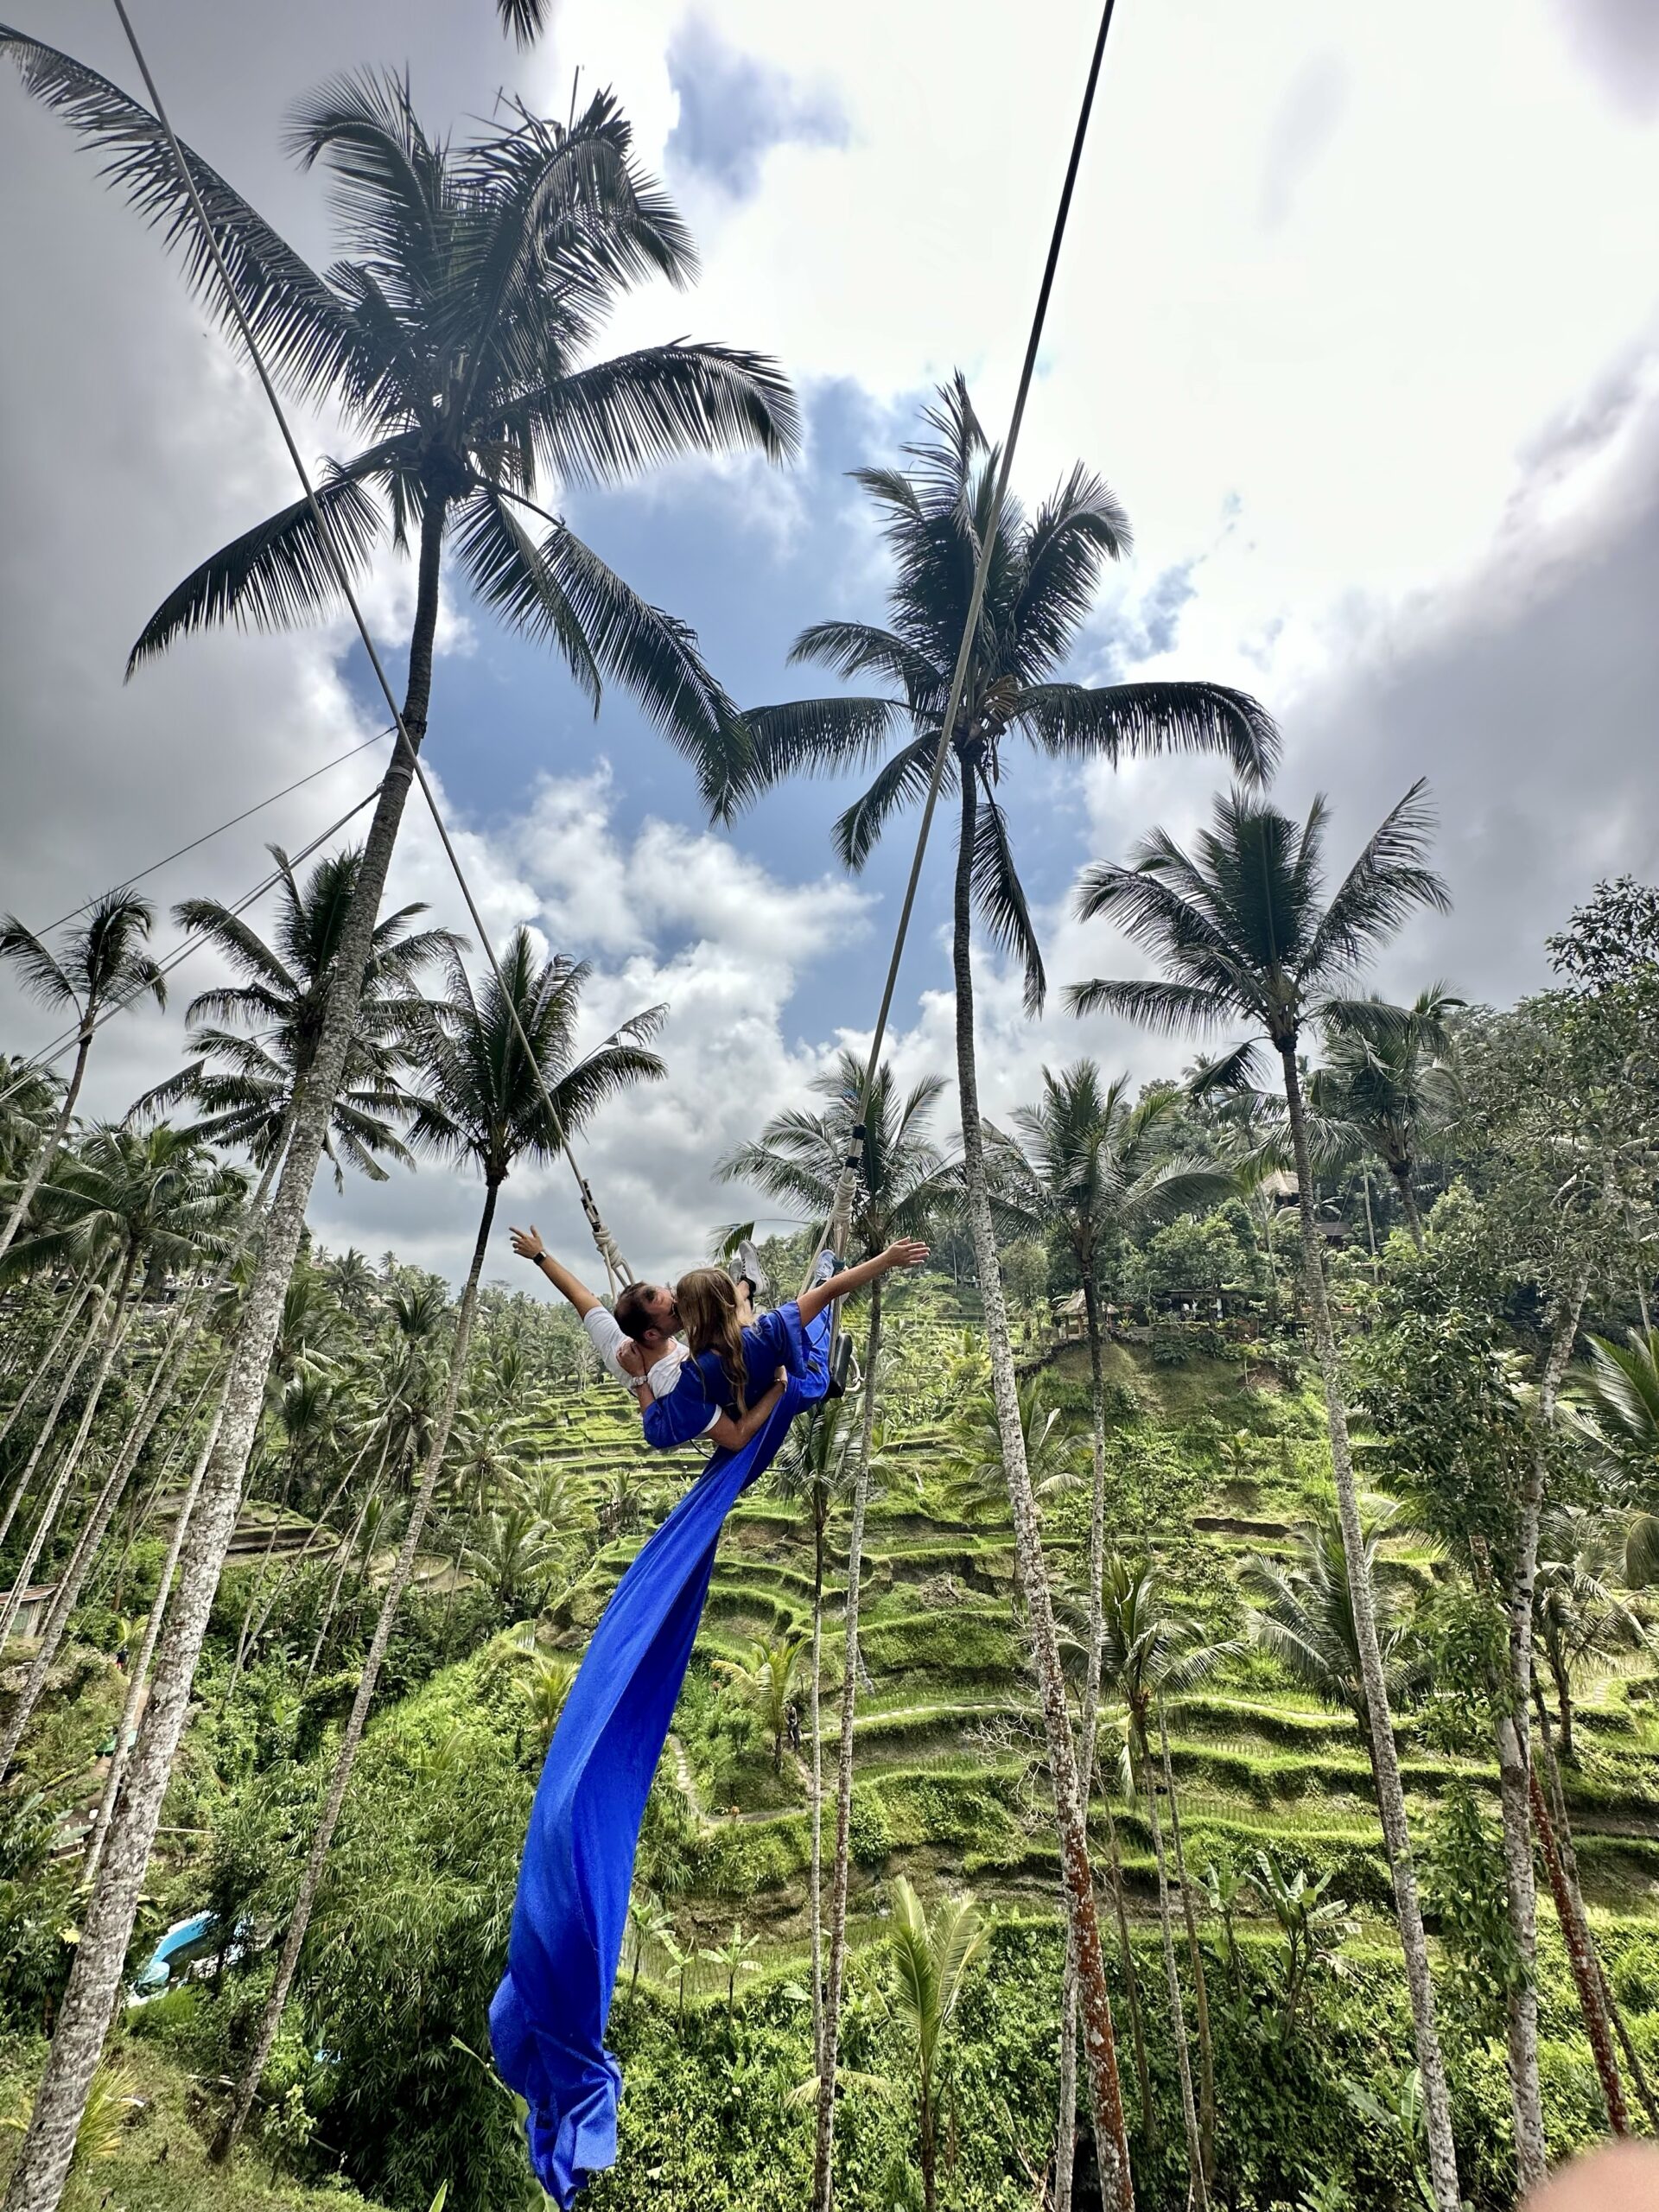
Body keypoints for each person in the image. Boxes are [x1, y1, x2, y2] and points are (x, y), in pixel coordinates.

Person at [509, 1227, 781, 1454]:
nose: (683, 1305)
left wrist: (540, 1256)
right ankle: (746, 1287)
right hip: (729, 1407)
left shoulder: (619, 1340)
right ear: (652, 1334)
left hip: (717, 1381)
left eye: (673, 1296)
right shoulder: (671, 1381)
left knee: (723, 1323)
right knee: (736, 1331)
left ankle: (745, 1287)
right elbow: (735, 1437)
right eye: (676, 1310)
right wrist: (780, 1386)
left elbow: (582, 1297)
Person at [638, 1240, 928, 1452]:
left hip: (759, 1394)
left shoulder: (694, 1374)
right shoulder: (767, 1331)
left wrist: (641, 1381)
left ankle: (748, 1285)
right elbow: (831, 1291)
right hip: (806, 1380)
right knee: (817, 1308)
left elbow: (657, 1432)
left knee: (757, 1323)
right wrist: (887, 1259)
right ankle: (766, 1282)